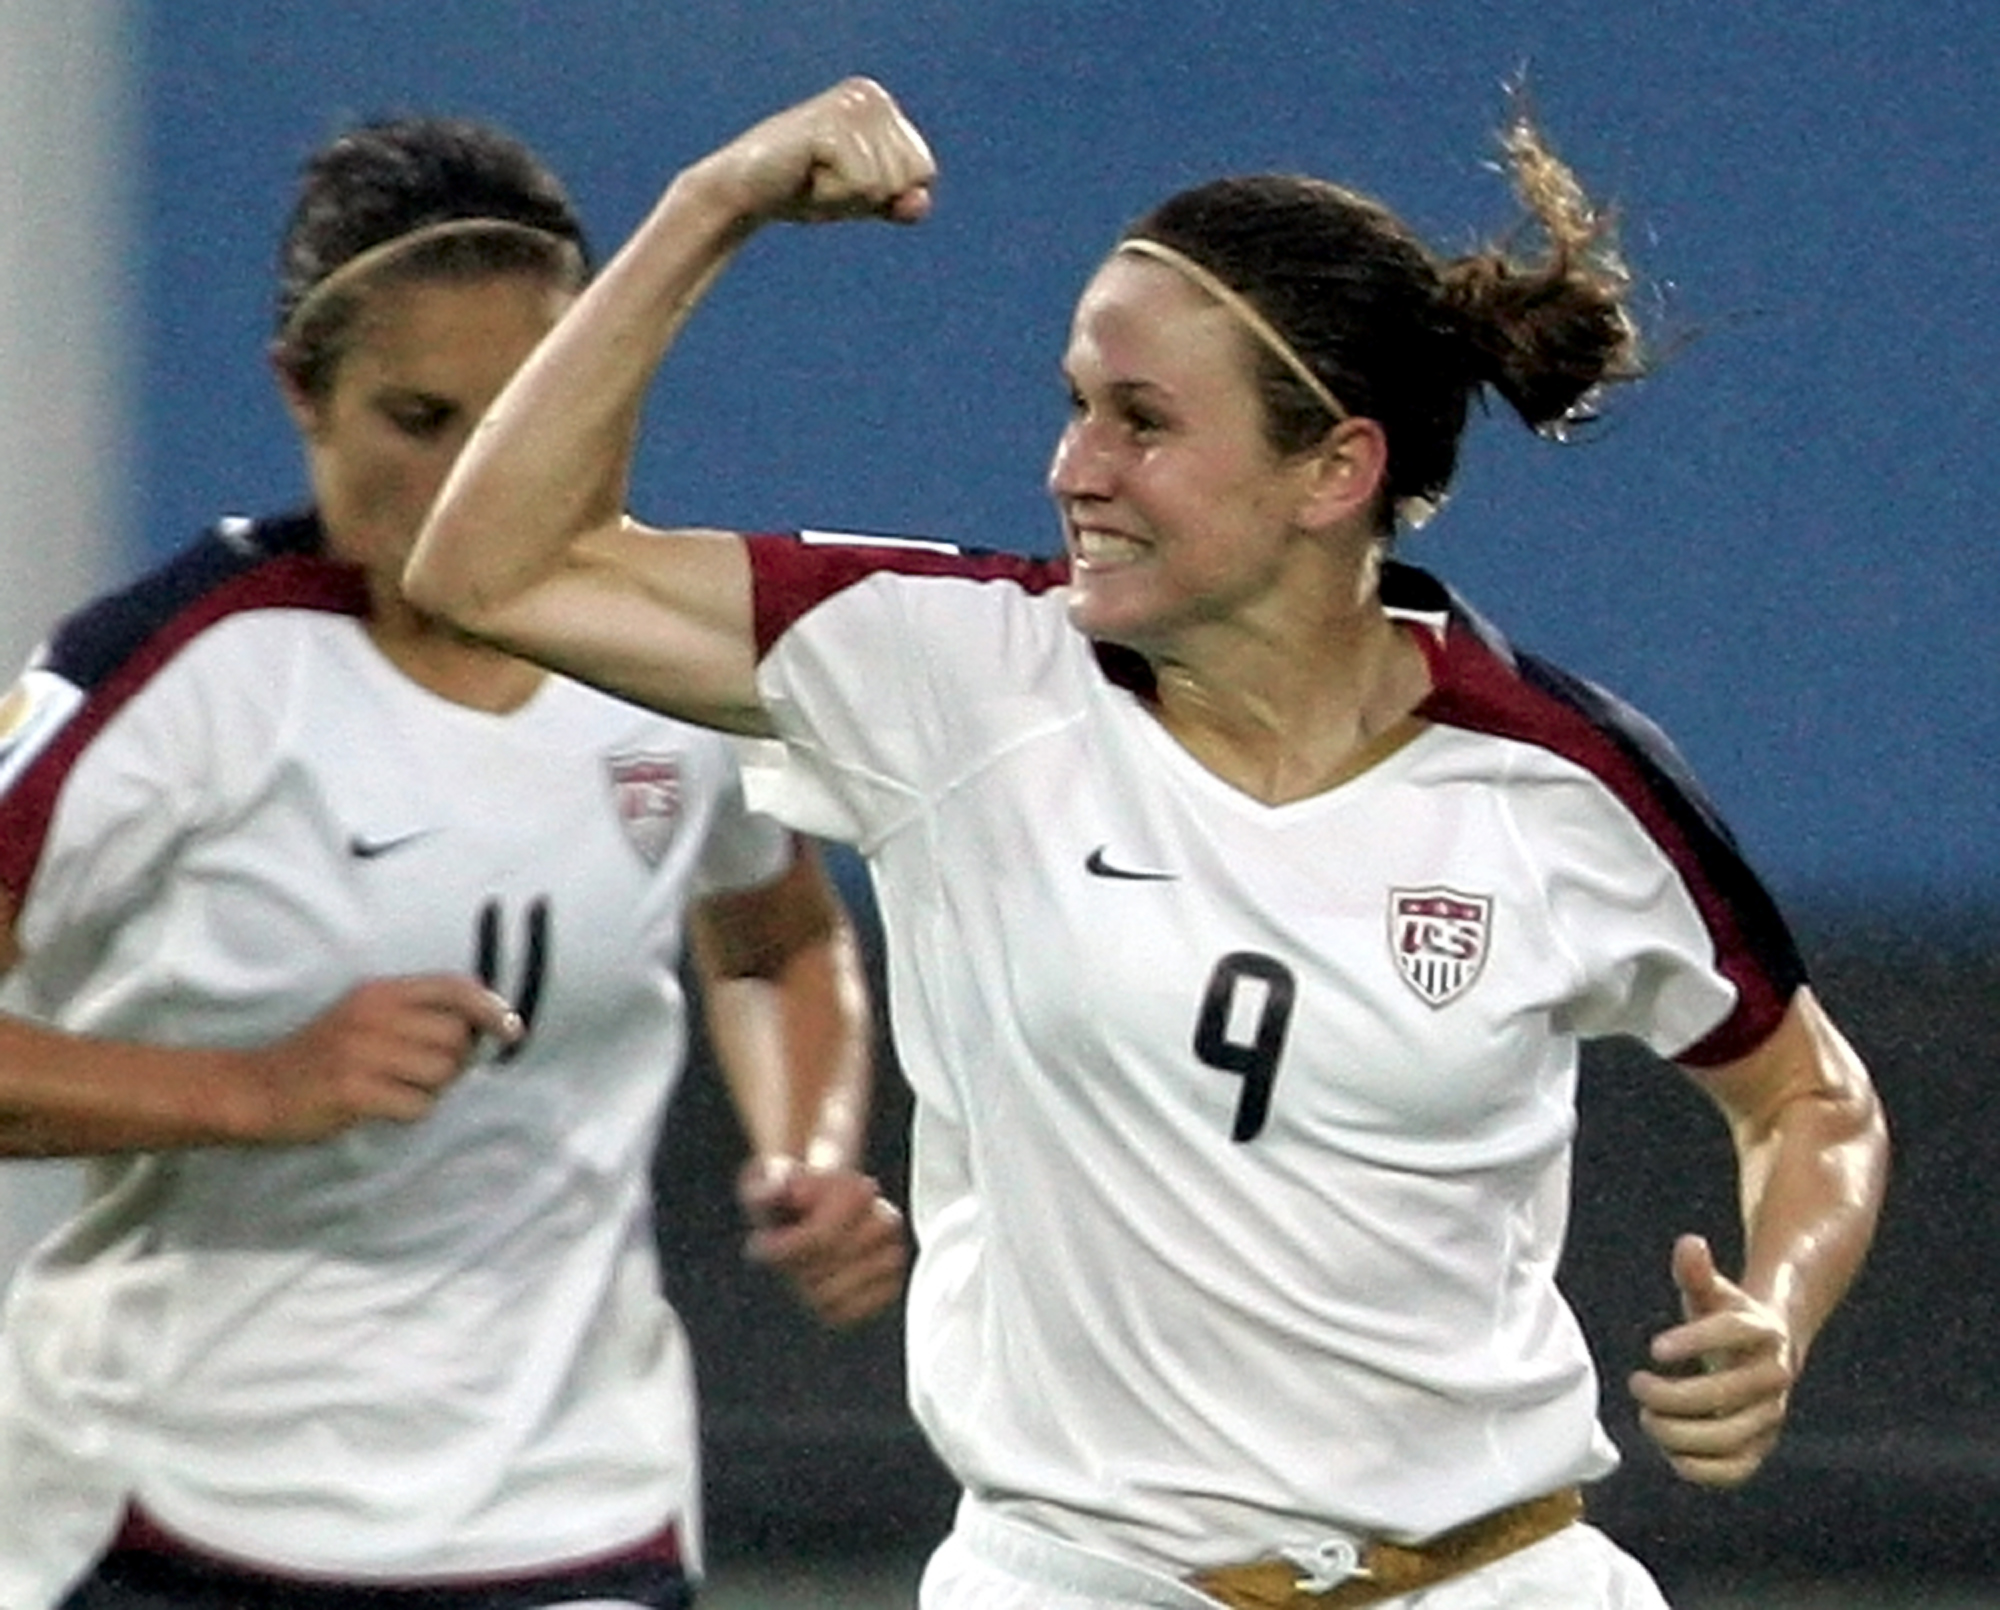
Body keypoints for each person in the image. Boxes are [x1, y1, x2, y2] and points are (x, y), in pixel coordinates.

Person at [404, 78, 1891, 1610]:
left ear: (1336, 470)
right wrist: (710, 204)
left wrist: (1774, 1310)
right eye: (1074, 404)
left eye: (1143, 421)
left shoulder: (1562, 780)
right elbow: (500, 567)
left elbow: (1813, 1097)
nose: (1075, 468)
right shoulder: (944, 672)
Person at [0, 110, 908, 1610]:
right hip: (168, 1507)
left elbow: (776, 933)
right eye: (422, 421)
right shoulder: (176, 674)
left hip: (572, 1508)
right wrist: (251, 1088)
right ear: (305, 395)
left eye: (529, 418)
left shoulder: (666, 658)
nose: (475, 483)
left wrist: (806, 1142)